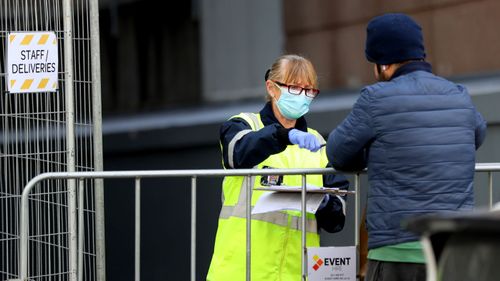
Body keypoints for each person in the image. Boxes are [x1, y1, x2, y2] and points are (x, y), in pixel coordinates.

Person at [325, 13, 487, 281]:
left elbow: (338, 153)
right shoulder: (458, 94)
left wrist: (373, 153)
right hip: (451, 249)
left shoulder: (376, 98)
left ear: (384, 65)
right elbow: (476, 135)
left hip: (396, 250)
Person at [207, 54, 349, 281]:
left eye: (309, 90)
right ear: (272, 88)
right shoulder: (243, 125)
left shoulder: (319, 145)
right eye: (294, 88)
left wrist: (323, 203)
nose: (303, 96)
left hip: (296, 274)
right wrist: (282, 135)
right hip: (242, 272)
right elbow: (237, 154)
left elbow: (337, 218)